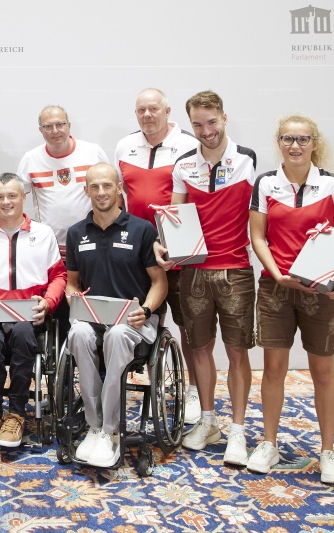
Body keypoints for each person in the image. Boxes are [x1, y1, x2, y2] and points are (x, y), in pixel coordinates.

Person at [246, 115, 334, 484]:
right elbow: (257, 236)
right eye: (288, 138)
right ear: (279, 142)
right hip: (275, 289)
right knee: (273, 369)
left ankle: (327, 452)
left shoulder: (331, 184)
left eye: (303, 139)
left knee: (323, 371)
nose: (295, 145)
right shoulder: (266, 183)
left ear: (314, 143)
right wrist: (275, 273)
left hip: (320, 293)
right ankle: (268, 443)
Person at [165, 91, 256, 466]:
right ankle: (207, 420)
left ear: (224, 118)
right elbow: (175, 216)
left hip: (236, 269)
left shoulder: (248, 159)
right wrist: (164, 244)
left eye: (212, 122)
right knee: (198, 347)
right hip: (194, 271)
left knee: (237, 352)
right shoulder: (183, 165)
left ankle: (237, 430)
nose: (207, 131)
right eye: (198, 125)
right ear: (190, 125)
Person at [65, 163, 167, 467]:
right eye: (94, 187)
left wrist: (145, 310)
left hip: (134, 323)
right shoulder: (76, 233)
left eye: (107, 185)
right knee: (78, 333)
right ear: (86, 191)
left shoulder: (141, 229)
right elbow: (72, 282)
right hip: (94, 320)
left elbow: (160, 283)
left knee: (117, 335)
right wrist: (74, 298)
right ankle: (94, 427)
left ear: (118, 188)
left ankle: (111, 431)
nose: (101, 192)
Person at [0, 173, 67, 447]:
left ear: (24, 198)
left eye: (12, 196)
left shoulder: (43, 234)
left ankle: (17, 413)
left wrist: (49, 302)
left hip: (29, 316)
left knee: (22, 335)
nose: (6, 202)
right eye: (0, 197)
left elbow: (59, 276)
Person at [113, 88, 202, 425]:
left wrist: (176, 245)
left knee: (189, 325)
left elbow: (197, 199)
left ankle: (192, 391)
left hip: (177, 252)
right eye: (141, 110)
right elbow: (120, 198)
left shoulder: (190, 144)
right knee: (141, 320)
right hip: (135, 251)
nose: (147, 115)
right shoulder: (124, 146)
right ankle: (137, 383)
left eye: (153, 109)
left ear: (167, 111)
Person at [16, 106, 108, 338]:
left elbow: (113, 191)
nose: (55, 130)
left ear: (69, 125)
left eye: (60, 124)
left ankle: (97, 364)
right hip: (52, 249)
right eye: (48, 126)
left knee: (94, 304)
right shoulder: (31, 159)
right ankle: (62, 369)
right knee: (59, 310)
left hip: (92, 246)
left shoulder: (92, 152)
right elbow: (16, 198)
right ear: (41, 130)